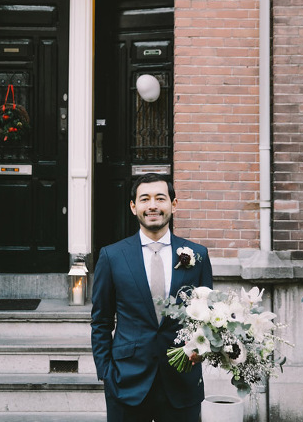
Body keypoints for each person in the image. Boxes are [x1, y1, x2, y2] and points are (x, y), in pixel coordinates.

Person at [91, 173, 213, 422]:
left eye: (160, 198)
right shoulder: (112, 256)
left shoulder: (198, 255)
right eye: (145, 199)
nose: (153, 205)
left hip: (182, 382)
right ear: (133, 206)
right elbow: (101, 321)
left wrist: (202, 350)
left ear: (173, 204)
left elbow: (207, 318)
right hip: (126, 383)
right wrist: (106, 372)